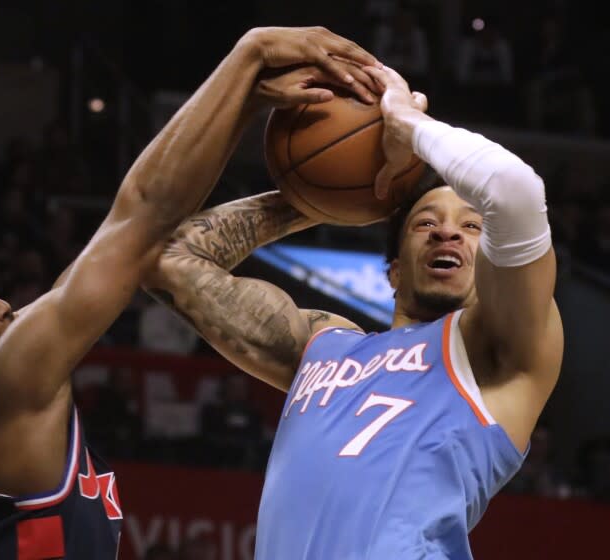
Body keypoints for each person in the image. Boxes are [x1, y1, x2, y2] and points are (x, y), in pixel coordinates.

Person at [0, 28, 381, 559]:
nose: (3, 304)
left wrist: (290, 171)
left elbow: (144, 249)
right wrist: (250, 54)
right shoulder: (4, 391)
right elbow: (140, 215)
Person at [144, 65, 562, 559]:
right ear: (393, 272)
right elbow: (167, 260)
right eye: (425, 222)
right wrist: (325, 195)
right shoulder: (324, 343)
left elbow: (517, 192)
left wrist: (408, 125)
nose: (446, 233)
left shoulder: (496, 348)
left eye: (472, 227)